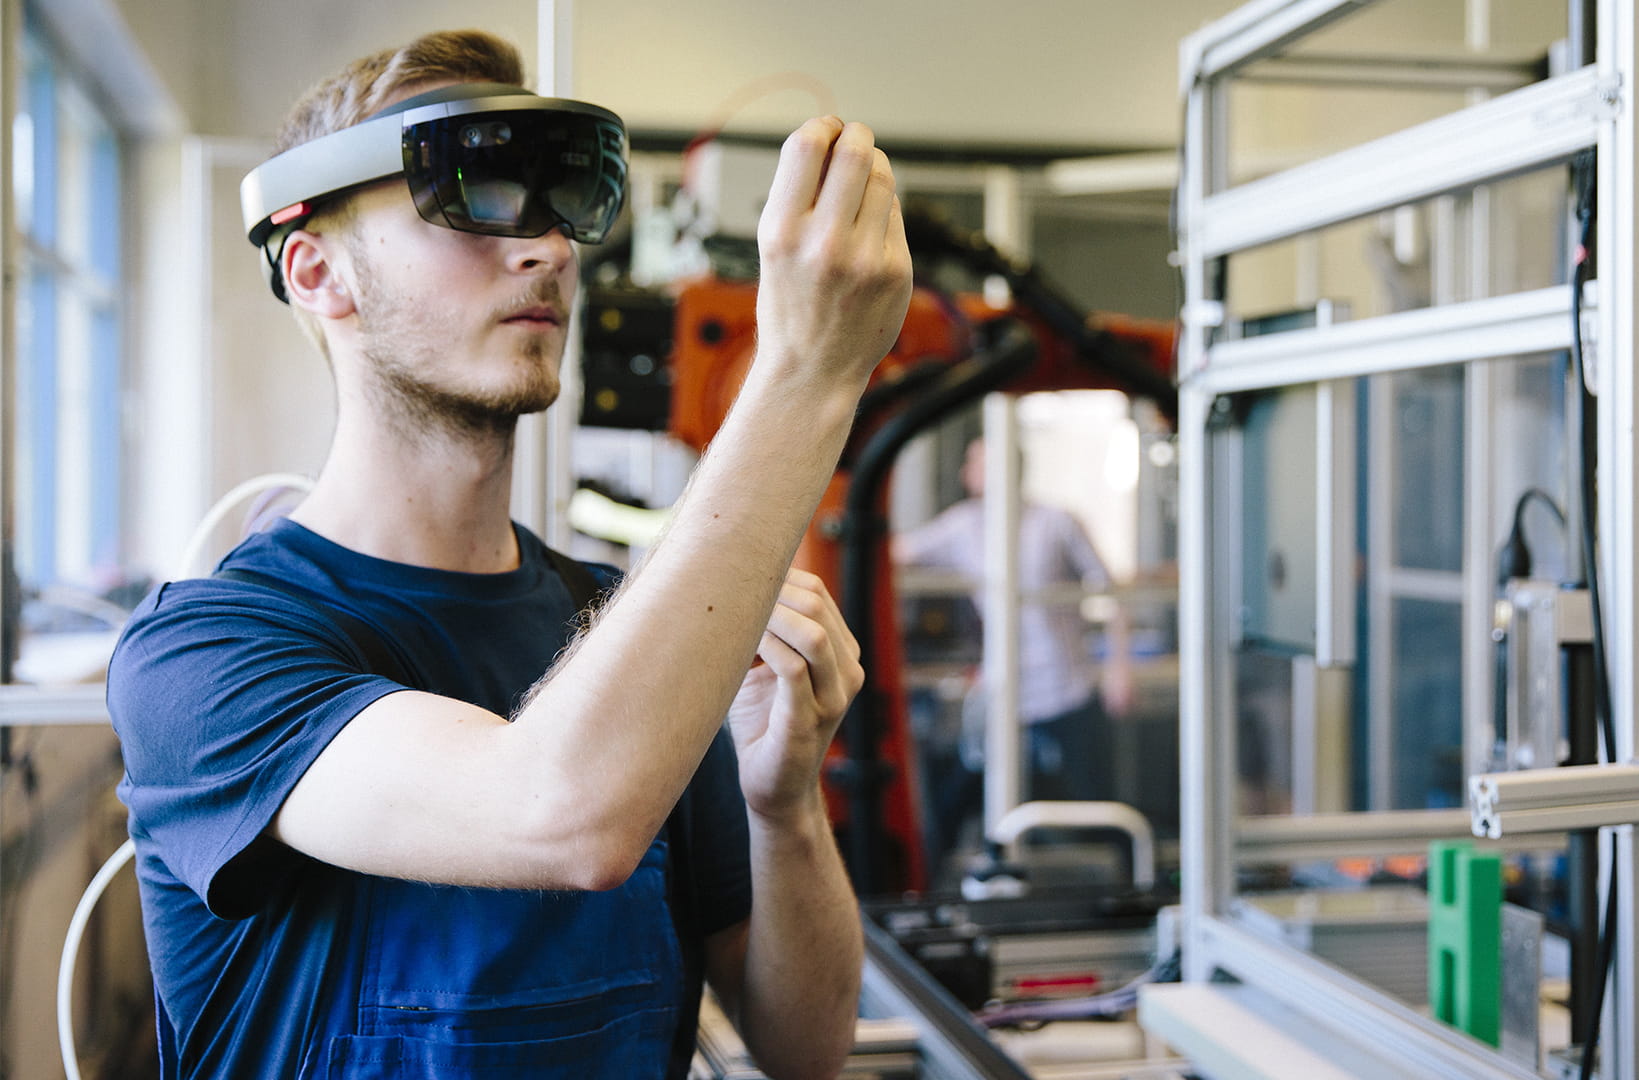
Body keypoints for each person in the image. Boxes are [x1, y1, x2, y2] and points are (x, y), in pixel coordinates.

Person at [107, 30, 911, 1080]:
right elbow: (560, 815)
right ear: (318, 270)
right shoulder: (201, 658)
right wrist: (805, 372)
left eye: (558, 202)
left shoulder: (636, 633)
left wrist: (784, 805)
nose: (550, 248)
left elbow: (806, 1050)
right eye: (475, 194)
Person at [893, 435, 1133, 818]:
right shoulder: (963, 524)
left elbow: (1114, 593)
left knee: (1097, 797)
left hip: (1065, 686)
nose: (966, 472)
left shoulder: (1057, 522)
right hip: (1004, 688)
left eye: (976, 463)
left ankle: (1125, 858)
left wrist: (1119, 669)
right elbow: (898, 552)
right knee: (962, 795)